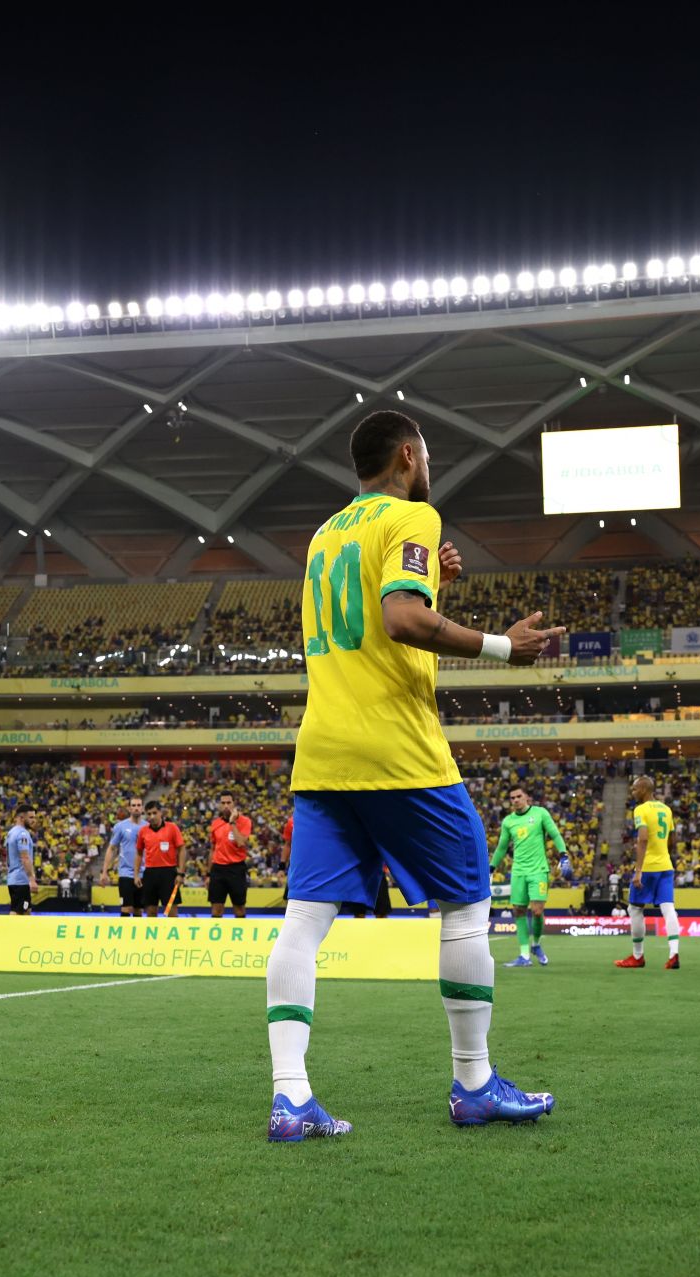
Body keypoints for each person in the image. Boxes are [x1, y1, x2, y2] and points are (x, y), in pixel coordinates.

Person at [263, 409, 561, 1141]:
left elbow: (381, 618)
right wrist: (504, 648)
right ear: (407, 454)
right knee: (466, 902)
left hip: (324, 751)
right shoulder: (414, 515)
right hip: (397, 750)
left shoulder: (327, 534)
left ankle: (290, 1097)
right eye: (427, 453)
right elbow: (399, 619)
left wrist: (438, 589)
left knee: (303, 921)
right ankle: (474, 1083)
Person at [492, 785, 566, 968]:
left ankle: (536, 944)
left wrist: (563, 854)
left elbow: (555, 834)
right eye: (512, 798)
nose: (515, 800)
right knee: (518, 910)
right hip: (518, 872)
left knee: (538, 910)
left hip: (538, 870)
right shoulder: (508, 822)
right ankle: (524, 955)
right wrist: (491, 868)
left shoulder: (540, 814)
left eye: (519, 796)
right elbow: (502, 847)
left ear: (527, 798)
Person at [616, 777, 681, 969]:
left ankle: (638, 956)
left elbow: (642, 839)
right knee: (668, 908)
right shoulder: (666, 809)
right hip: (666, 866)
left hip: (648, 867)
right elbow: (672, 839)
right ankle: (674, 953)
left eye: (635, 789)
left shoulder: (641, 810)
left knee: (635, 908)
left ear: (644, 789)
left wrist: (638, 871)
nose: (633, 792)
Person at [208, 791, 253, 919]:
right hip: (218, 869)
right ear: (219, 805)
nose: (226, 806)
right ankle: (215, 939)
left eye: (229, 802)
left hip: (236, 869)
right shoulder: (215, 823)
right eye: (223, 803)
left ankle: (241, 938)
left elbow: (240, 842)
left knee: (239, 908)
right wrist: (208, 873)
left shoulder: (245, 821)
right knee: (216, 909)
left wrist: (232, 822)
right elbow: (212, 849)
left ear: (234, 804)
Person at [136, 800, 184, 917]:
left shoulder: (172, 828)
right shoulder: (143, 831)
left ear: (160, 812)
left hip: (169, 873)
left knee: (171, 912)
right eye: (149, 814)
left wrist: (180, 873)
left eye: (154, 813)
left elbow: (182, 850)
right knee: (151, 912)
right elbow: (139, 853)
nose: (151, 817)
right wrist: (136, 874)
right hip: (150, 873)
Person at [102, 797, 147, 917]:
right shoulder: (120, 826)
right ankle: (124, 936)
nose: (136, 808)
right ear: (129, 808)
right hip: (126, 873)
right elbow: (111, 848)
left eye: (138, 805)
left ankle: (138, 936)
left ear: (142, 808)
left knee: (139, 910)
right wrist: (105, 872)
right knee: (126, 908)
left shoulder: (148, 827)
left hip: (143, 874)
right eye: (133, 805)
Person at [5, 805, 38, 914]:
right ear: (22, 818)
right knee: (18, 912)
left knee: (26, 910)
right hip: (21, 880)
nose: (34, 820)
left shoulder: (11, 832)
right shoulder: (22, 834)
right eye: (31, 817)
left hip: (13, 878)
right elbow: (25, 857)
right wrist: (32, 879)